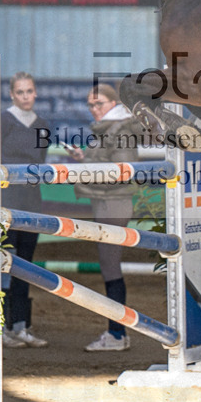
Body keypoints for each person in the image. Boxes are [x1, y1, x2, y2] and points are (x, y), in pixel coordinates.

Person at [65, 84, 147, 352]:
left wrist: (85, 167)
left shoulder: (120, 129)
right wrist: (82, 158)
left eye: (98, 104)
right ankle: (117, 332)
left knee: (110, 269)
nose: (94, 109)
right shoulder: (107, 129)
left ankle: (116, 333)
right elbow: (104, 164)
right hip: (105, 203)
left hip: (114, 203)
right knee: (109, 268)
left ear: (113, 104)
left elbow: (119, 172)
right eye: (90, 105)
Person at [0, 72, 51, 348]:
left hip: (32, 203)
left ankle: (21, 325)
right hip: (6, 203)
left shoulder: (42, 125)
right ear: (12, 95)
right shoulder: (3, 121)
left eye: (29, 91)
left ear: (35, 92)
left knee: (26, 265)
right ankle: (1, 327)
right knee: (4, 264)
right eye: (20, 92)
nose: (25, 96)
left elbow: (40, 163)